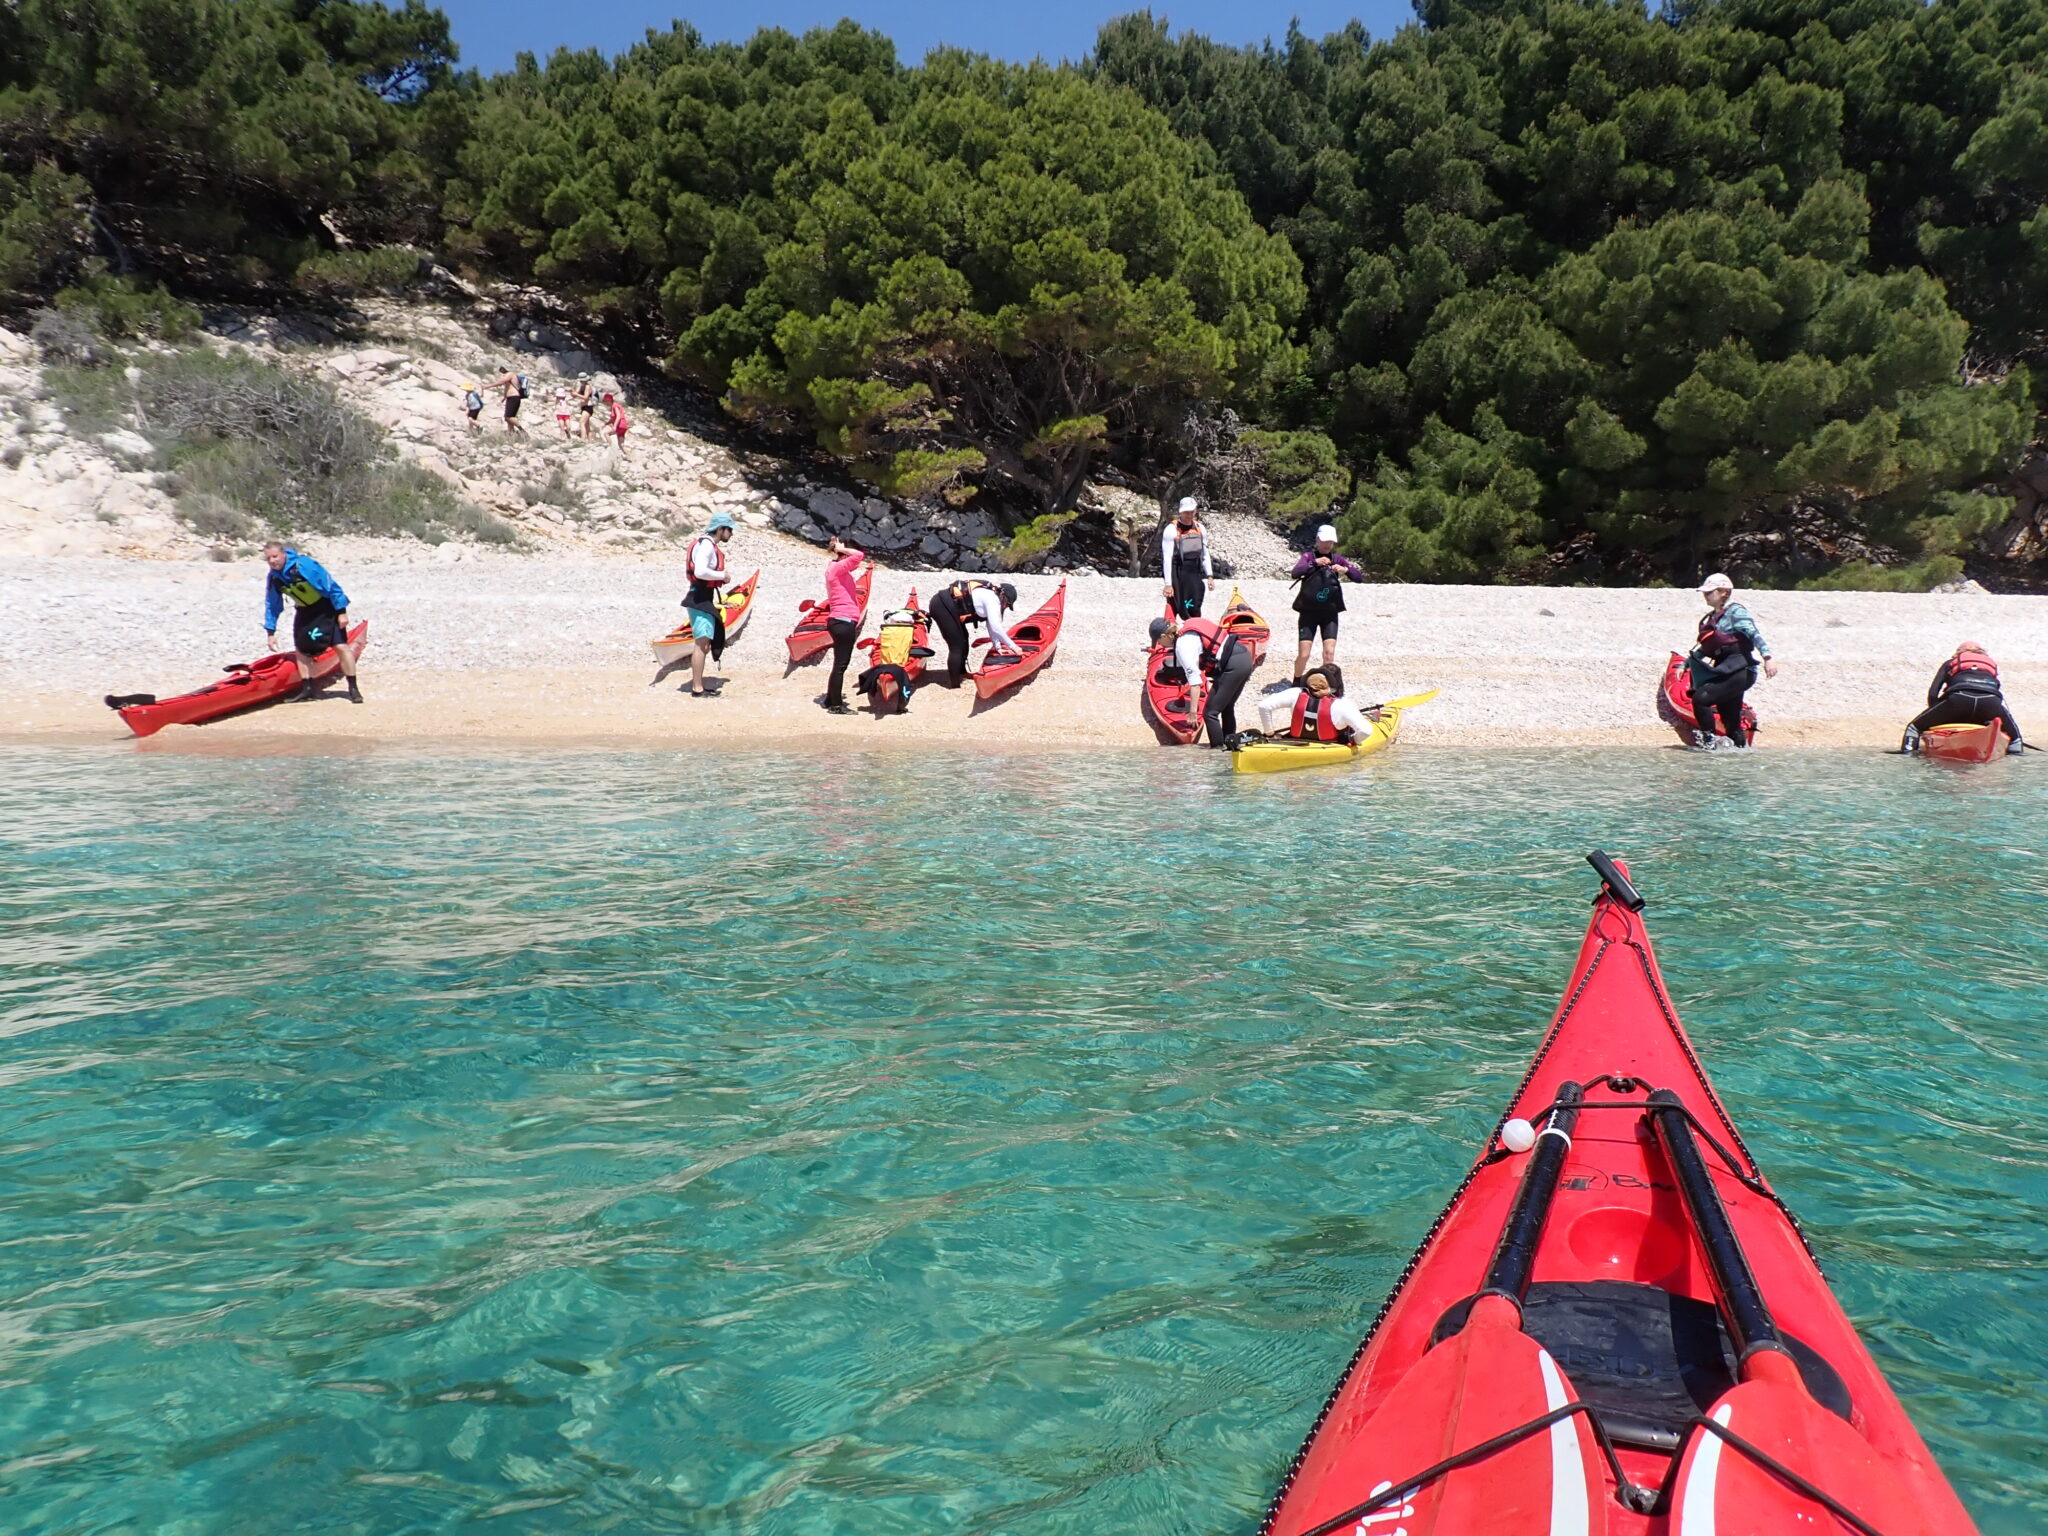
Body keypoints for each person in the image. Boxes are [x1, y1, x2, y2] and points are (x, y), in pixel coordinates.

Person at [262, 541, 362, 703]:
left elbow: (331, 587)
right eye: (268, 559)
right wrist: (270, 632)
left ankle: (353, 689)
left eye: (275, 556)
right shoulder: (274, 577)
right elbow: (272, 604)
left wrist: (341, 612)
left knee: (341, 646)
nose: (273, 561)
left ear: (283, 554)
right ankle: (308, 689)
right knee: (301, 650)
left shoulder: (303, 565)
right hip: (305, 611)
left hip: (326, 608)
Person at [1686, 573, 1777, 748]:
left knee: (1701, 699)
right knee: (1730, 719)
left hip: (1740, 670)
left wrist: (1768, 657)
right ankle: (1739, 756)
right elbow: (1704, 647)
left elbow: (1754, 634)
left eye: (1710, 591)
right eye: (1705, 592)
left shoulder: (1736, 612)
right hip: (1724, 669)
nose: (1705, 595)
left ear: (1724, 592)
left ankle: (1708, 745)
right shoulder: (1713, 617)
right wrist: (1686, 664)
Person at [1150, 611, 1254, 747]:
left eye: (1158, 641)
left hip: (1233, 666)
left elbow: (1195, 683)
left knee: (1210, 713)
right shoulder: (1189, 623)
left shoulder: (1183, 645)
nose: (1160, 645)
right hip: (1244, 657)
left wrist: (1193, 713)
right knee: (1226, 706)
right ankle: (1230, 746)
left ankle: (1217, 753)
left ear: (1164, 636)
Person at [1903, 642, 2025, 754]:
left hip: (1958, 700)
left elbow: (1933, 693)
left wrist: (1935, 717)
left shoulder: (1950, 663)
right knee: (2016, 739)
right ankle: (2016, 759)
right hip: (1990, 702)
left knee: (1913, 728)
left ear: (1958, 653)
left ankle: (1908, 754)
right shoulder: (1991, 665)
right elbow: (1996, 688)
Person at [1289, 524, 1368, 681]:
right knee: (1304, 654)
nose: (1327, 545)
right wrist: (1314, 563)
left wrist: (1345, 570)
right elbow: (1295, 573)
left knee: (1329, 653)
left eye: (1330, 542)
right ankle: (1297, 679)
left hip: (1329, 613)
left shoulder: (1337, 559)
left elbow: (1359, 577)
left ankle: (1325, 684)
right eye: (1324, 541)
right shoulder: (1308, 557)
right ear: (1317, 539)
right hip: (1308, 613)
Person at [678, 512, 736, 698]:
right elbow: (701, 571)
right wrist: (722, 576)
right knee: (702, 643)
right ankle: (697, 688)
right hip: (699, 599)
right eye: (730, 530)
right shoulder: (707, 546)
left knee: (703, 642)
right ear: (720, 529)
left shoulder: (705, 544)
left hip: (702, 597)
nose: (731, 534)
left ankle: (698, 685)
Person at [926, 579, 1019, 686]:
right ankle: (954, 685)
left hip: (950, 608)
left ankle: (962, 672)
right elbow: (996, 628)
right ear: (1004, 598)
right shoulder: (992, 600)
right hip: (941, 606)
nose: (1006, 607)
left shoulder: (993, 597)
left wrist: (998, 647)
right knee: (956, 646)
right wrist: (1014, 647)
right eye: (1008, 604)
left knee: (964, 638)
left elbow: (991, 625)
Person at [1256, 665, 1377, 743]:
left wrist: (1270, 733)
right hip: (1328, 746)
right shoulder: (1343, 704)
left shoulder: (1295, 693)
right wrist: (1352, 740)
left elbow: (1264, 706)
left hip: (1294, 742)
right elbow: (1366, 731)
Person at [821, 536, 868, 714]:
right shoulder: (837, 569)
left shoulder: (835, 569)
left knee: (837, 665)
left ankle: (829, 699)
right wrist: (842, 548)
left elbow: (856, 558)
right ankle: (836, 706)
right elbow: (858, 556)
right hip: (843, 622)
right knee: (841, 665)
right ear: (843, 556)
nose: (855, 566)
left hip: (840, 621)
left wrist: (839, 549)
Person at [1160, 497, 1215, 619]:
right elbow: (1167, 557)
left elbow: (1205, 553)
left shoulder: (1200, 529)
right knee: (1174, 602)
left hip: (1194, 570)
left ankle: (1194, 627)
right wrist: (1168, 584)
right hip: (1177, 571)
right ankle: (1169, 631)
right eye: (1186, 511)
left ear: (1195, 511)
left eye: (1191, 511)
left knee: (1194, 604)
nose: (1189, 514)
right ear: (1180, 511)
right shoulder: (1171, 529)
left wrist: (1209, 576)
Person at [489, 364, 528, 433]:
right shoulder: (509, 375)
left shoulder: (510, 374)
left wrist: (487, 386)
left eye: (501, 368)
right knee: (510, 418)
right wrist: (504, 397)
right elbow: (507, 388)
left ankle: (522, 430)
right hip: (511, 397)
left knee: (508, 417)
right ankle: (511, 433)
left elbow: (501, 382)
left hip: (514, 397)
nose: (500, 370)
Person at [604, 391, 630, 458]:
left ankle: (611, 448)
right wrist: (607, 423)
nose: (606, 403)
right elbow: (613, 419)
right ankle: (629, 457)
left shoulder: (614, 406)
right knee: (621, 445)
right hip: (623, 426)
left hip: (620, 425)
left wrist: (615, 426)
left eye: (606, 401)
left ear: (609, 400)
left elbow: (618, 416)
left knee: (606, 434)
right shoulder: (615, 406)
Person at [574, 373, 598, 440]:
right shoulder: (581, 386)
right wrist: (573, 392)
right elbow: (575, 394)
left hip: (588, 407)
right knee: (587, 426)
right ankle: (590, 441)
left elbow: (585, 397)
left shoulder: (588, 387)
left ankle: (583, 439)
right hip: (583, 407)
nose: (581, 382)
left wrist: (577, 394)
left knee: (582, 422)